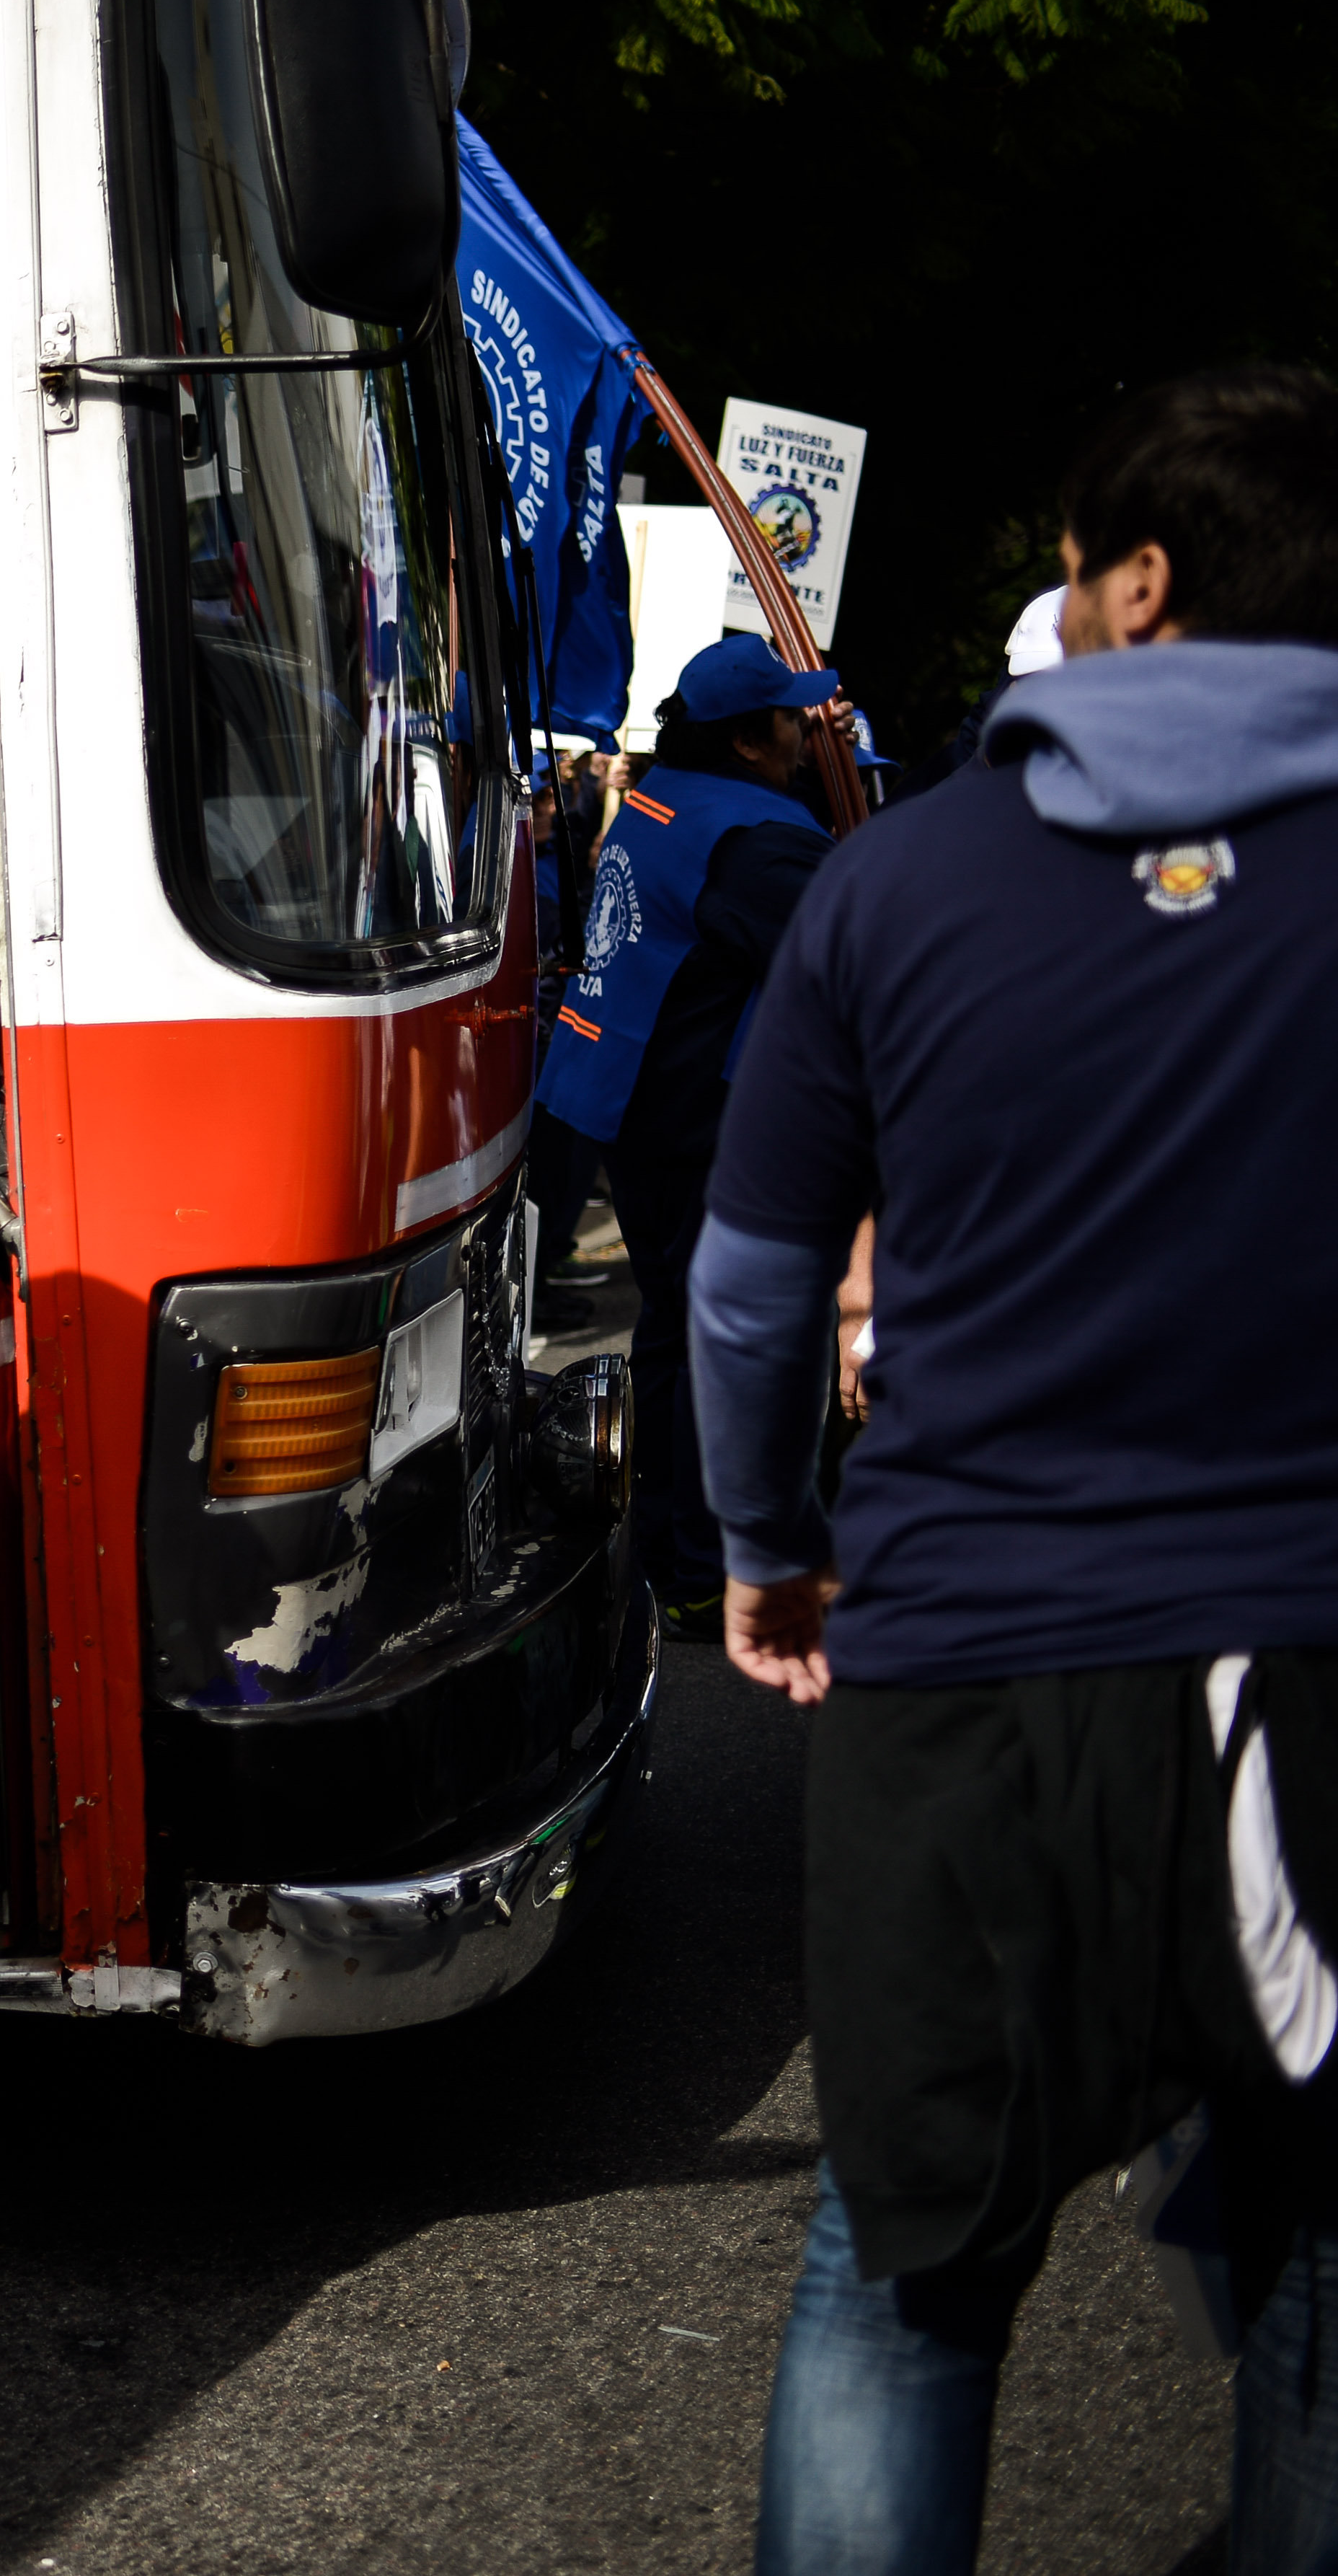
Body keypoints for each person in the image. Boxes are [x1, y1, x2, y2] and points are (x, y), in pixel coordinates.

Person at [696, 363, 1338, 2573]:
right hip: (1313, 1685)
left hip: (967, 1673)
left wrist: (768, 1544)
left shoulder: (908, 885)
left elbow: (754, 1293)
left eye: (1068, 572)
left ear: (1140, 585)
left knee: (903, 2283)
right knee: (1320, 2263)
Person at [533, 632, 841, 1638]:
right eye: (794, 720)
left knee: (672, 1326)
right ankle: (705, 1564)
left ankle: (668, 1545)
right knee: (727, 1343)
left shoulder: (669, 800)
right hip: (696, 1120)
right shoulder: (755, 836)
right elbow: (845, 946)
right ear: (753, 740)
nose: (809, 733)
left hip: (627, 1100)